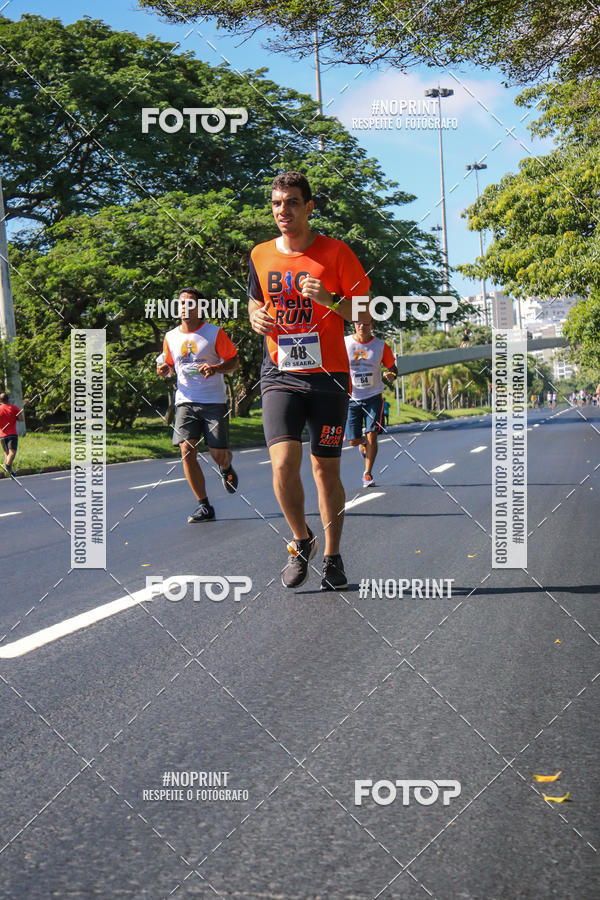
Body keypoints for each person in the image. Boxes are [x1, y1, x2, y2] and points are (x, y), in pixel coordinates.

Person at [248, 171, 371, 591]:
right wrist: (255, 318)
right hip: (279, 372)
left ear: (309, 207)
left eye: (292, 203)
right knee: (282, 463)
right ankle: (302, 541)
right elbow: (254, 304)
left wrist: (328, 300)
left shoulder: (336, 254)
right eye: (277, 203)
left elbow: (363, 314)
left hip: (328, 378)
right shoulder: (260, 254)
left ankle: (333, 556)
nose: (283, 211)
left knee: (325, 471)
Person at [157, 287, 239, 523]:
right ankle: (204, 506)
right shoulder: (171, 337)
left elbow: (233, 362)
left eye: (190, 303)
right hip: (185, 400)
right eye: (181, 303)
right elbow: (167, 365)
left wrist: (215, 368)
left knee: (217, 454)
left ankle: (226, 467)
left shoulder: (214, 334)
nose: (185, 307)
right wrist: (163, 370)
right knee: (186, 450)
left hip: (213, 401)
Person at [345, 319, 397, 487]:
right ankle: (361, 445)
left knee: (372, 435)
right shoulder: (345, 343)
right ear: (354, 325)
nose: (362, 326)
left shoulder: (380, 346)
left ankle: (367, 474)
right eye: (358, 323)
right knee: (353, 440)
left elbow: (393, 368)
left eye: (366, 323)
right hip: (352, 398)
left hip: (374, 396)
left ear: (372, 325)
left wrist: (392, 374)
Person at [0, 392, 23, 477]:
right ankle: (8, 466)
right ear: (8, 399)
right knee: (12, 452)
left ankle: (10, 473)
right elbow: (21, 419)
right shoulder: (14, 408)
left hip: (2, 435)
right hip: (12, 434)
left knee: (7, 453)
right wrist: (14, 417)